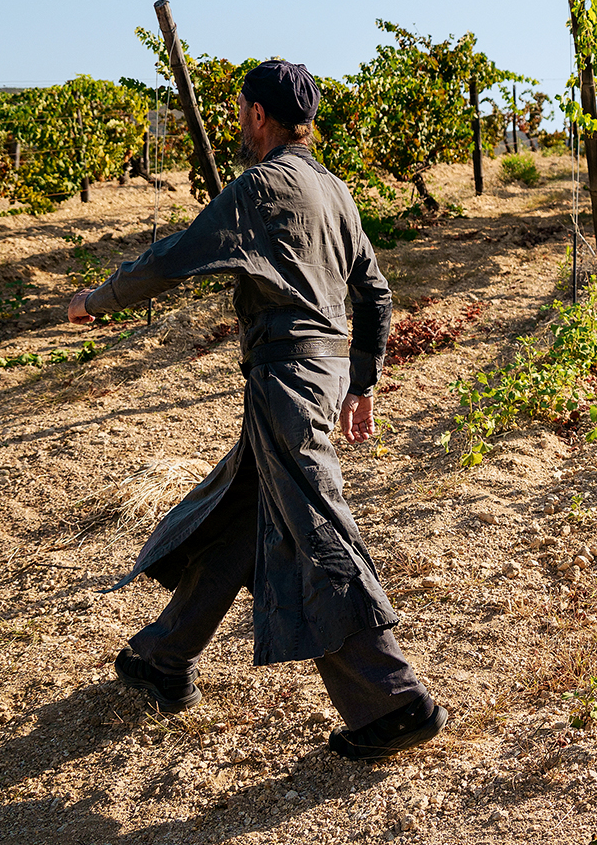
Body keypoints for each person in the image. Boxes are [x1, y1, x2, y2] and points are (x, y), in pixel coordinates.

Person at [67, 60, 447, 760]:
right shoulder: (334, 190)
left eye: (242, 110)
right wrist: (361, 381)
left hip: (286, 378)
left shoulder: (261, 186)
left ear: (258, 116)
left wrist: (98, 299)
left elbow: (175, 257)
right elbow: (376, 292)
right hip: (323, 376)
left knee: (314, 530)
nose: (239, 120)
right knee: (246, 514)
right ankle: (163, 659)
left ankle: (394, 702)